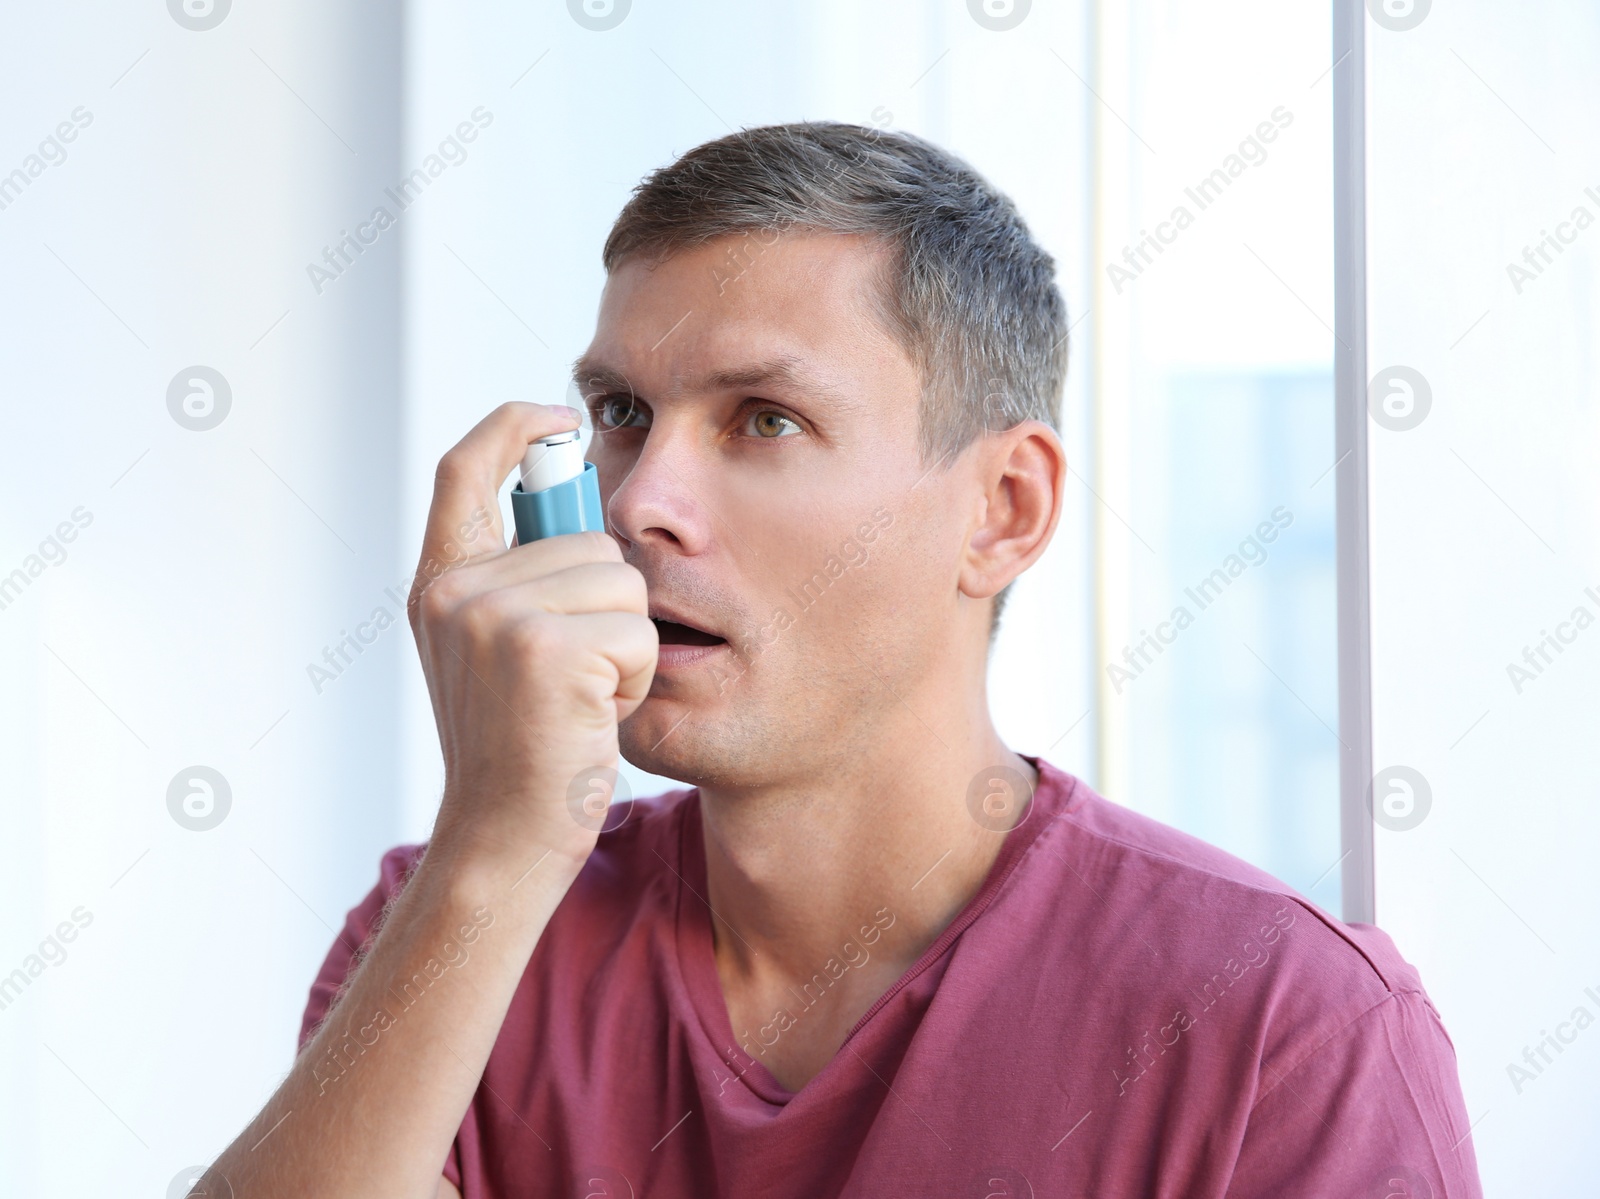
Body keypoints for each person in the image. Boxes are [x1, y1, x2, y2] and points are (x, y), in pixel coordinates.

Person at [198, 122, 1482, 1198]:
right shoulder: (458, 927)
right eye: (621, 413)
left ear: (1003, 510)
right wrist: (495, 836)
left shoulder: (1287, 1032)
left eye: (765, 418)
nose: (642, 498)